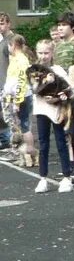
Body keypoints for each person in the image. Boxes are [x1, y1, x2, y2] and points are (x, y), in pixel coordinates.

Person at [31, 38, 74, 195]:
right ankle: (43, 177)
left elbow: (70, 89)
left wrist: (58, 97)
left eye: (46, 52)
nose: (43, 56)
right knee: (43, 144)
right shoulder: (34, 70)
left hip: (56, 110)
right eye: (41, 52)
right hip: (41, 110)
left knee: (61, 141)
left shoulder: (58, 70)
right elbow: (34, 89)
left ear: (52, 53)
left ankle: (66, 177)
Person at [55, 12, 74, 183]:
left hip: (73, 93)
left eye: (64, 25)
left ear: (72, 27)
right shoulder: (58, 46)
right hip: (60, 93)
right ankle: (72, 164)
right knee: (66, 132)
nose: (60, 28)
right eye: (59, 25)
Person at [2, 33, 35, 166]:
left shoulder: (21, 60)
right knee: (19, 126)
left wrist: (17, 100)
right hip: (15, 96)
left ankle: (30, 153)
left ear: (13, 45)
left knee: (23, 126)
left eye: (9, 46)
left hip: (20, 97)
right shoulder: (16, 59)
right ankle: (23, 154)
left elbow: (21, 81)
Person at [0, 12, 12, 155]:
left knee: (8, 115)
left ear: (9, 24)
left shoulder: (11, 40)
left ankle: (10, 141)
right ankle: (4, 140)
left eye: (2, 23)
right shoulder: (2, 40)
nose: (0, 26)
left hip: (7, 83)